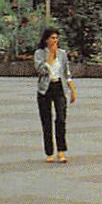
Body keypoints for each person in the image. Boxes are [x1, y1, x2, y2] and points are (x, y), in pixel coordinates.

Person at [34, 27, 77, 162]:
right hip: (45, 89)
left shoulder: (62, 53)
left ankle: (61, 151)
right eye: (52, 38)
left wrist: (72, 90)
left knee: (61, 119)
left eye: (56, 38)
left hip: (59, 87)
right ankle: (49, 153)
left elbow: (66, 72)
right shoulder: (39, 53)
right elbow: (40, 70)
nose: (55, 40)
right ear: (46, 39)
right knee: (46, 121)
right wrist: (50, 56)